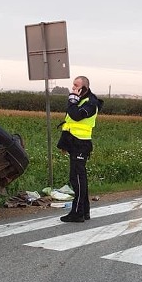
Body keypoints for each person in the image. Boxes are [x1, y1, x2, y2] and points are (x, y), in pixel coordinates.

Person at [56, 76, 103, 222]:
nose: (73, 88)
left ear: (85, 87)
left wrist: (72, 100)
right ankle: (85, 211)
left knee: (77, 178)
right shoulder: (80, 100)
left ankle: (77, 213)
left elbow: (75, 116)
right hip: (74, 143)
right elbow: (69, 123)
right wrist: (64, 145)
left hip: (81, 144)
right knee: (79, 177)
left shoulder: (91, 103)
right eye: (73, 86)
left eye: (76, 86)